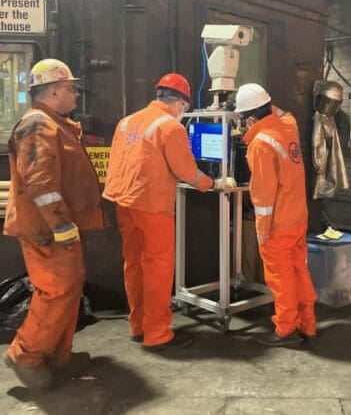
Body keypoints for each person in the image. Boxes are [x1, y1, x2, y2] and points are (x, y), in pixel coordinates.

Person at [103, 73, 234, 350]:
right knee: (158, 269)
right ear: (181, 104)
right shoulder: (170, 127)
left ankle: (138, 326)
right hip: (152, 206)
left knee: (134, 265)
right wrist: (214, 183)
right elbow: (186, 171)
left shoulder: (127, 121)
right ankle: (157, 334)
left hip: (124, 203)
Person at [3, 59, 105, 389]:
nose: (76, 94)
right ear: (55, 90)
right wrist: (60, 225)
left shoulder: (53, 123)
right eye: (72, 88)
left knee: (69, 288)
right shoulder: (37, 125)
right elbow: (41, 182)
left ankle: (59, 357)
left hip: (57, 227)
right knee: (56, 291)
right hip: (46, 230)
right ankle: (26, 355)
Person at [235, 83, 317, 347]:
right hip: (298, 218)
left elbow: (263, 195)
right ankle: (308, 325)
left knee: (281, 281)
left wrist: (262, 231)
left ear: (249, 118)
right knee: (299, 273)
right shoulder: (288, 126)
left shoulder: (259, 145)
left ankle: (286, 331)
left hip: (277, 225)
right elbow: (282, 112)